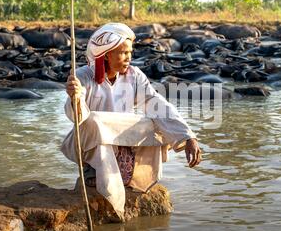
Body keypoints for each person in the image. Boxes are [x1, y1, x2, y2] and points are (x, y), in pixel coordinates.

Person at [61, 22, 201, 218]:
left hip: (120, 141)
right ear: (106, 54)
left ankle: (130, 174)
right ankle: (97, 176)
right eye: (123, 52)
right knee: (94, 121)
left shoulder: (134, 76)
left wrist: (188, 136)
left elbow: (156, 102)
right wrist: (74, 97)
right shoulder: (83, 76)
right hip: (88, 141)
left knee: (154, 123)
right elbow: (77, 117)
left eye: (130, 52)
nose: (129, 57)